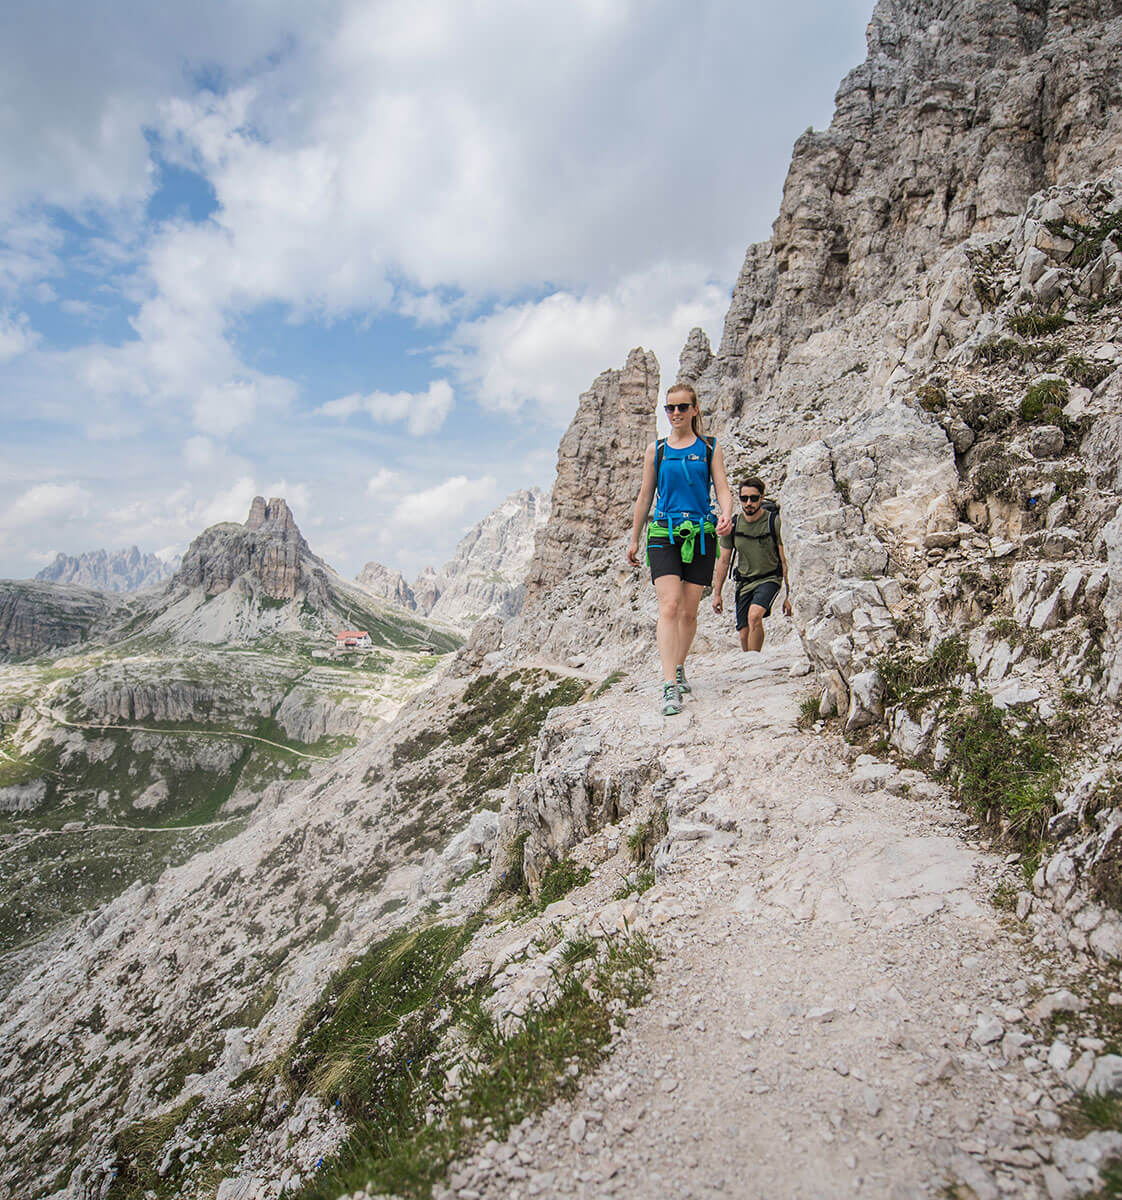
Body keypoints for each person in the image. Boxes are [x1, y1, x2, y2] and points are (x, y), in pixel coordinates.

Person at [627, 382, 733, 715]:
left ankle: (679, 665)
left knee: (689, 611)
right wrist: (634, 538)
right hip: (663, 533)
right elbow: (645, 495)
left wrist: (726, 514)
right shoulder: (656, 450)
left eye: (682, 407)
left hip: (701, 533)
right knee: (669, 606)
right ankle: (669, 685)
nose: (676, 413)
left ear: (694, 409)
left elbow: (722, 488)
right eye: (670, 408)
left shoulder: (710, 447)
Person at [712, 476, 792, 653]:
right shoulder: (733, 525)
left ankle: (755, 659)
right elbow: (724, 561)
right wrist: (717, 594)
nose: (749, 503)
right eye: (744, 498)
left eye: (754, 498)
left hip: (769, 579)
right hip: (744, 583)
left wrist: (789, 594)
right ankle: (750, 659)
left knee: (754, 616)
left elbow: (784, 559)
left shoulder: (773, 522)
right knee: (743, 634)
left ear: (762, 498)